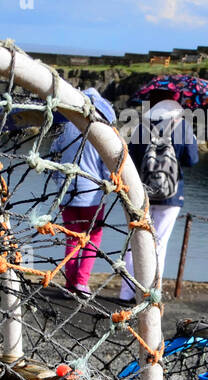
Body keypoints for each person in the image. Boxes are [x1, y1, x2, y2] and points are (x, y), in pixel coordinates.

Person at [120, 98, 199, 303]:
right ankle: (150, 292)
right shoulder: (182, 126)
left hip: (142, 193)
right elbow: (192, 160)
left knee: (134, 241)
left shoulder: (141, 126)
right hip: (171, 196)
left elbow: (132, 159)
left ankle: (127, 291)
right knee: (159, 244)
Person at [48, 87, 117, 297]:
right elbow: (108, 162)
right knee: (93, 237)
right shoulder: (100, 128)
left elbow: (53, 155)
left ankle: (69, 283)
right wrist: (110, 183)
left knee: (72, 238)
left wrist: (58, 180)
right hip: (93, 194)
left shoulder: (67, 124)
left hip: (67, 191)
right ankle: (81, 282)